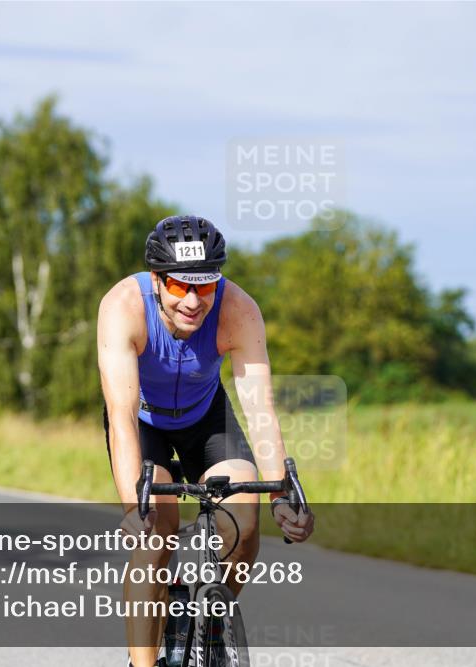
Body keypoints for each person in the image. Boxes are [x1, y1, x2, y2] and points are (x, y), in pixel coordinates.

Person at [97, 215, 314, 667]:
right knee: (156, 533)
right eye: (180, 287)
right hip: (144, 421)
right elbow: (120, 416)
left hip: (205, 416)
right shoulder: (122, 306)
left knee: (245, 523)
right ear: (156, 279)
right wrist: (131, 508)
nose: (194, 301)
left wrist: (280, 495)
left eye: (206, 285)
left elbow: (259, 409)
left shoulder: (238, 308)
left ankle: (211, 615)